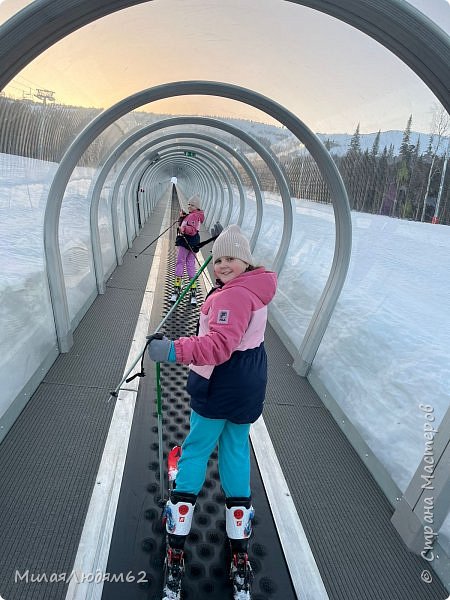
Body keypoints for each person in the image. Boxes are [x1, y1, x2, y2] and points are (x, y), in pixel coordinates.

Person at [147, 225, 277, 600]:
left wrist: (171, 350)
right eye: (217, 259)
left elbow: (217, 347)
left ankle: (176, 539)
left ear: (246, 260)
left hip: (219, 384)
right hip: (249, 382)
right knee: (236, 449)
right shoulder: (255, 288)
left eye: (230, 259)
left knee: (197, 447)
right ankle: (238, 544)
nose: (221, 265)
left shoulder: (230, 298)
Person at [171, 195, 205, 305]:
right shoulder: (195, 215)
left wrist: (183, 228)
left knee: (180, 263)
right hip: (193, 242)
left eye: (192, 205)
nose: (189, 206)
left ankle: (176, 289)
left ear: (197, 207)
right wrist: (183, 218)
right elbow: (191, 225)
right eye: (189, 204)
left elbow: (192, 230)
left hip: (186, 241)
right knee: (190, 264)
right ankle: (193, 291)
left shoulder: (193, 216)